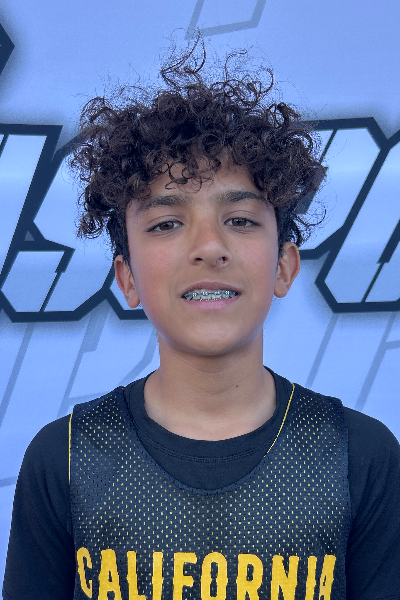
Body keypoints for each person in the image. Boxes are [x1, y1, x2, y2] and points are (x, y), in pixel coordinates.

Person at [3, 42, 400, 600]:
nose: (209, 246)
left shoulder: (360, 455)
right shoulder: (64, 458)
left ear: (284, 266)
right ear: (127, 278)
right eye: (166, 224)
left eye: (240, 219)